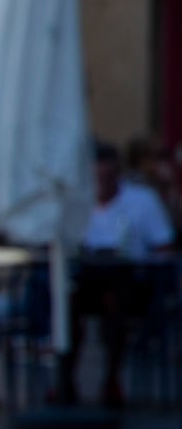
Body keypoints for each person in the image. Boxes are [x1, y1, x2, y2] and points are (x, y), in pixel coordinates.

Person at [59, 142, 178, 407]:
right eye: (96, 178)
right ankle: (64, 381)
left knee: (116, 300)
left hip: (134, 282)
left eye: (108, 177)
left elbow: (165, 247)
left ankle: (111, 380)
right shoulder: (77, 203)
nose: (102, 184)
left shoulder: (142, 200)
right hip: (87, 279)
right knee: (66, 303)